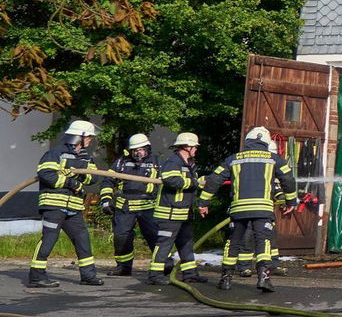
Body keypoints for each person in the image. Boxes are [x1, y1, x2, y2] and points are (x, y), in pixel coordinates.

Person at [200, 126, 296, 293]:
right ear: (266, 142)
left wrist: (203, 202)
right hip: (262, 210)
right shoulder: (274, 159)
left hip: (239, 209)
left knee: (233, 242)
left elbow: (214, 179)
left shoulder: (233, 159)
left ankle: (226, 278)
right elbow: (288, 179)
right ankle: (263, 278)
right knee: (262, 241)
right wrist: (291, 201)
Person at [26, 119, 104, 287]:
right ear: (79, 137)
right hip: (54, 204)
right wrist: (71, 182)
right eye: (89, 137)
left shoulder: (85, 157)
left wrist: (85, 168)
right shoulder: (56, 153)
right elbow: (46, 173)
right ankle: (36, 277)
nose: (90, 140)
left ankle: (88, 276)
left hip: (73, 206)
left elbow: (94, 178)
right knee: (49, 239)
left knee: (82, 238)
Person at [147, 132, 208, 285]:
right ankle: (155, 275)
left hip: (183, 213)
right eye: (194, 147)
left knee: (186, 243)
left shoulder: (189, 164)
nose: (196, 150)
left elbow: (190, 182)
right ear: (187, 147)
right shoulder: (173, 162)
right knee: (164, 244)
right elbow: (171, 180)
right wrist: (194, 183)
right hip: (170, 213)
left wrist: (201, 181)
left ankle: (190, 274)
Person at [109, 133, 160, 276]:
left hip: (147, 206)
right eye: (135, 150)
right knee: (121, 237)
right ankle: (123, 267)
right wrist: (106, 200)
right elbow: (108, 180)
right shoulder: (121, 162)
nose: (137, 152)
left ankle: (164, 266)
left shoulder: (156, 162)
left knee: (155, 236)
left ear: (147, 149)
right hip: (124, 207)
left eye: (141, 149)